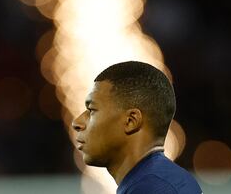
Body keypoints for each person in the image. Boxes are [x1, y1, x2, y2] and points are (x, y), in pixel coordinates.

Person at [72, 61, 202, 194]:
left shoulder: (151, 188)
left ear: (131, 121)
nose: (76, 122)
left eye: (92, 110)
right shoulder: (163, 179)